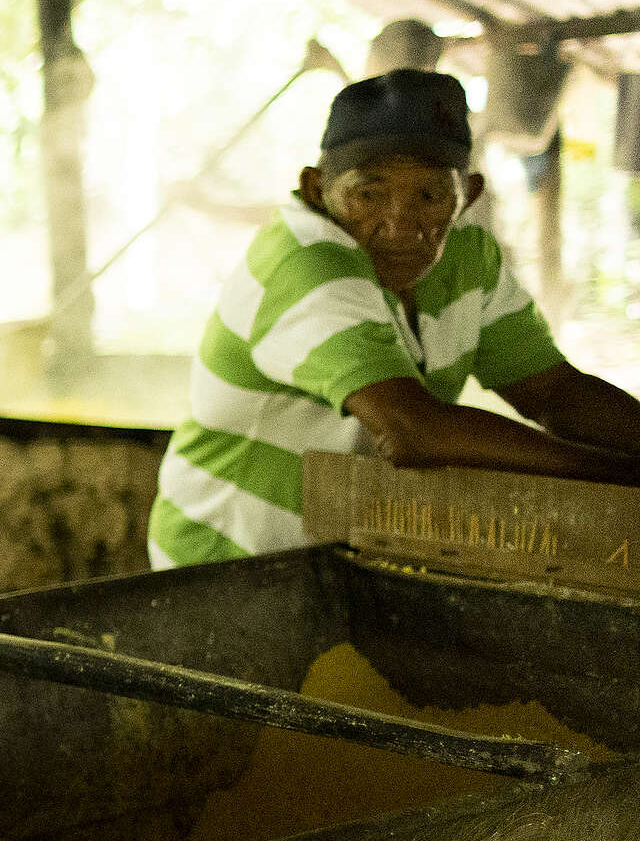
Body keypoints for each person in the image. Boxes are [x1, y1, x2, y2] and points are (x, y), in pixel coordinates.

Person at [150, 67, 640, 567]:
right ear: (317, 190)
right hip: (223, 563)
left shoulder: (469, 258)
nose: (400, 224)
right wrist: (624, 477)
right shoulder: (304, 262)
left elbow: (555, 395)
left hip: (341, 553)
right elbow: (412, 430)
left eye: (430, 196)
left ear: (467, 196)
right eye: (369, 194)